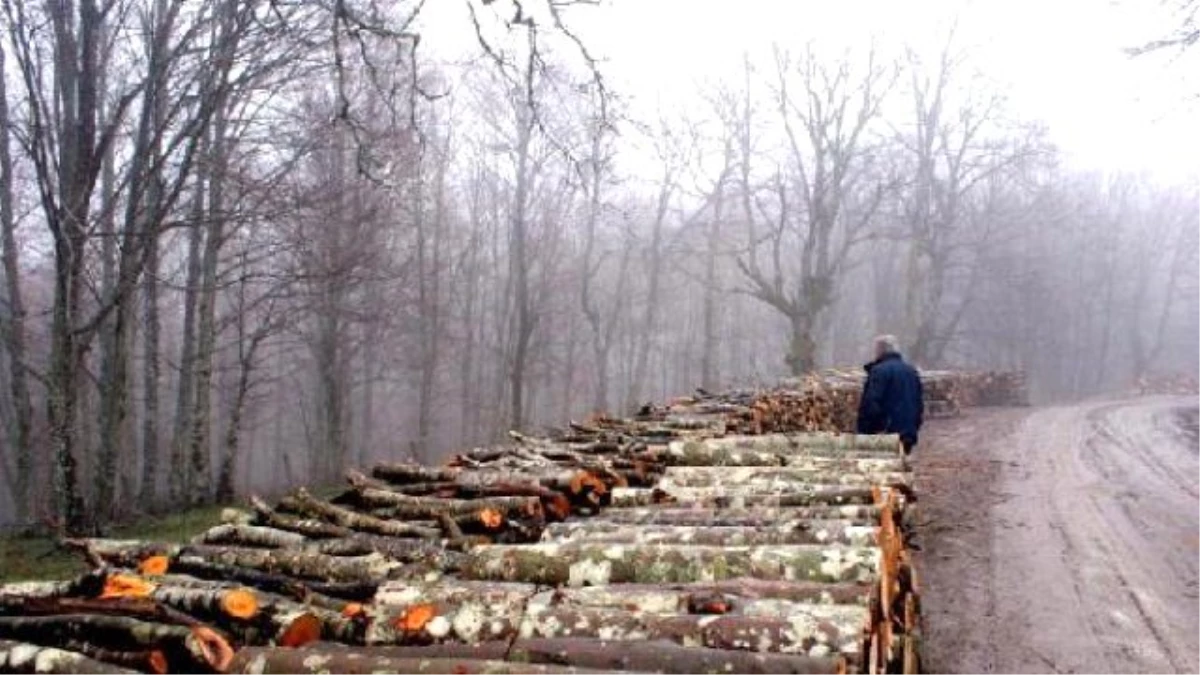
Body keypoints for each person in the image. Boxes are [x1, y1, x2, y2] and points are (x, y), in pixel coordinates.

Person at [856, 335, 924, 454]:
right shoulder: (911, 372)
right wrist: (914, 426)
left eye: (876, 349)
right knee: (900, 467)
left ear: (881, 350)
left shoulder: (879, 372)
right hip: (907, 433)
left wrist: (866, 431)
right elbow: (919, 404)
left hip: (884, 435)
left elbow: (871, 403)